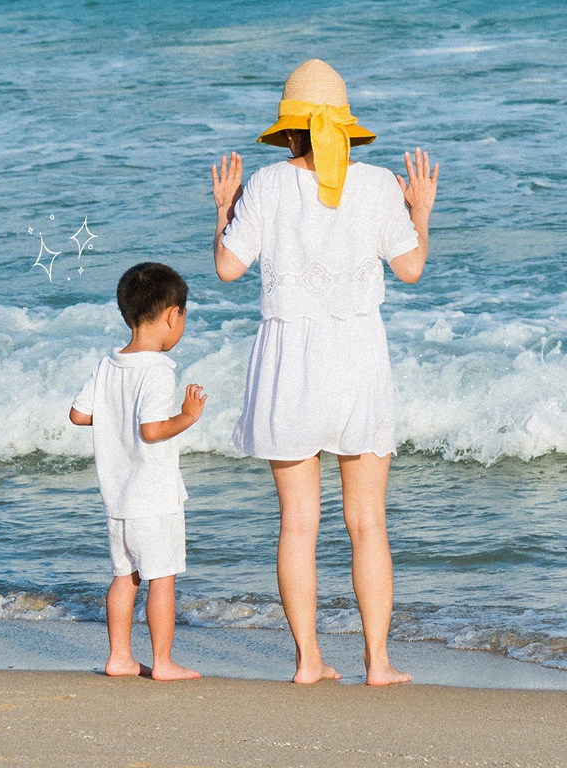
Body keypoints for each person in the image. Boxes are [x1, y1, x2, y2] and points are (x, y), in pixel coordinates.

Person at [211, 59, 438, 685]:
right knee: (367, 522)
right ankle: (378, 661)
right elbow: (412, 269)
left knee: (298, 522)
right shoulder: (373, 188)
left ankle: (308, 661)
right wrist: (419, 210)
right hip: (357, 360)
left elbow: (228, 269)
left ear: (288, 134)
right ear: (345, 126)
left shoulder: (264, 185)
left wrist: (225, 210)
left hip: (288, 365)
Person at [69, 262, 206, 681]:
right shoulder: (158, 370)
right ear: (172, 315)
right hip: (154, 496)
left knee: (123, 577)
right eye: (183, 317)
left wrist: (114, 418)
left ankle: (120, 657)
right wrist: (187, 416)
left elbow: (78, 415)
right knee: (161, 579)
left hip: (117, 501)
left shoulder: (109, 364)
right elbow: (152, 429)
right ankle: (162, 662)